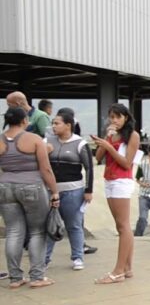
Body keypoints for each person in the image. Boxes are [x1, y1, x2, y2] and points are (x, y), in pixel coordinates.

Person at [0, 107, 59, 289]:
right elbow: (46, 169)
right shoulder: (33, 139)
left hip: (5, 187)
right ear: (24, 120)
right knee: (37, 231)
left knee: (13, 231)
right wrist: (54, 191)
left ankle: (15, 278)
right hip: (32, 187)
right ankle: (37, 277)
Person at [91, 103, 140, 284]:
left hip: (122, 181)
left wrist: (110, 147)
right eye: (111, 117)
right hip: (109, 179)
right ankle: (127, 268)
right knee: (121, 225)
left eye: (118, 117)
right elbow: (98, 157)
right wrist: (106, 139)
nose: (114, 121)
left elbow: (127, 163)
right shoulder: (111, 135)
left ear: (125, 118)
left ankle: (118, 271)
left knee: (123, 226)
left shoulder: (133, 136)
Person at [44, 111, 94, 271]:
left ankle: (78, 257)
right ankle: (44, 259)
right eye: (53, 123)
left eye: (57, 123)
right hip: (51, 191)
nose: (53, 126)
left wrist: (89, 190)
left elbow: (89, 168)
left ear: (68, 125)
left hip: (73, 192)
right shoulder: (47, 141)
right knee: (50, 225)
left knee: (74, 225)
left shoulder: (80, 143)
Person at [57, 107, 95, 255]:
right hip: (71, 185)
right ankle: (79, 250)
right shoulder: (74, 135)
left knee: (69, 222)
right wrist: (88, 189)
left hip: (69, 184)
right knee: (76, 222)